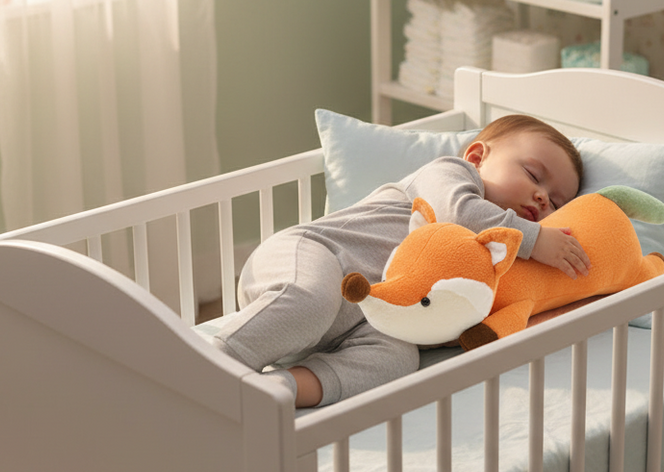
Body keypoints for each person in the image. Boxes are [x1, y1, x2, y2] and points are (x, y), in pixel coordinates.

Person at [211, 114, 589, 408]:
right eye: (533, 175)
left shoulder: (493, 258)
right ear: (477, 156)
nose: (543, 198)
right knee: (312, 299)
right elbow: (459, 213)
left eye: (556, 203)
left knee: (398, 359)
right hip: (315, 256)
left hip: (365, 319)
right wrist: (536, 239)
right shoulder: (451, 175)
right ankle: (211, 367)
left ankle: (283, 388)